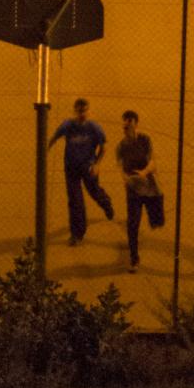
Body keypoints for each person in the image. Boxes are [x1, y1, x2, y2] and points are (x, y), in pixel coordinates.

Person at [48, 98, 114, 245]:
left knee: (94, 191)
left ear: (88, 111)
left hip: (88, 167)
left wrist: (97, 164)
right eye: (79, 111)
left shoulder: (94, 128)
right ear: (74, 111)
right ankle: (77, 234)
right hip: (71, 167)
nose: (82, 114)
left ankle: (106, 203)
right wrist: (45, 149)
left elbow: (104, 148)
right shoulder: (67, 125)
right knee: (75, 201)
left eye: (84, 111)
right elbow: (54, 137)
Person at [116, 110, 164, 274]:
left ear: (136, 123)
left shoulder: (145, 140)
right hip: (134, 191)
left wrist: (143, 173)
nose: (126, 124)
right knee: (133, 225)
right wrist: (127, 179)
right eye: (124, 121)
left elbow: (153, 163)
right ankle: (134, 257)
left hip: (150, 188)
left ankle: (152, 222)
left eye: (129, 121)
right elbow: (120, 167)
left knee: (157, 222)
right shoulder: (121, 146)